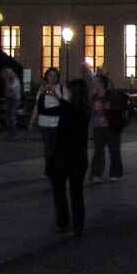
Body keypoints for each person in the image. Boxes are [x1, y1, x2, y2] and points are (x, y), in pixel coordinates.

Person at [48, 79, 90, 236]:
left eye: (69, 90)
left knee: (59, 189)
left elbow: (61, 110)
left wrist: (56, 97)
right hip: (80, 155)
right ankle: (78, 225)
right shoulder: (85, 109)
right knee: (77, 193)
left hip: (65, 155)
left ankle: (64, 221)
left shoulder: (70, 109)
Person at [88, 74, 126, 182]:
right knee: (98, 151)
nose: (94, 83)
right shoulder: (94, 96)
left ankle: (115, 173)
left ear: (102, 84)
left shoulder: (111, 95)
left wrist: (110, 108)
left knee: (114, 150)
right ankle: (96, 174)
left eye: (96, 81)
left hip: (111, 126)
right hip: (98, 126)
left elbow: (120, 106)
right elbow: (91, 110)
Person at [28, 67, 67, 169]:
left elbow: (66, 104)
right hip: (44, 120)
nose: (52, 78)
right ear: (47, 77)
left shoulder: (62, 89)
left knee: (55, 144)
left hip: (57, 120)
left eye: (55, 76)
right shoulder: (42, 89)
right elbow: (37, 105)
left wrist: (55, 96)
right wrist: (32, 121)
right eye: (50, 76)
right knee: (47, 145)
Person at [0, 67, 23, 139]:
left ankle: (14, 132)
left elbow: (10, 89)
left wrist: (7, 82)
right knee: (8, 116)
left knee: (11, 116)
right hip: (10, 99)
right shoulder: (11, 80)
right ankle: (11, 132)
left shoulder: (15, 80)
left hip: (14, 99)